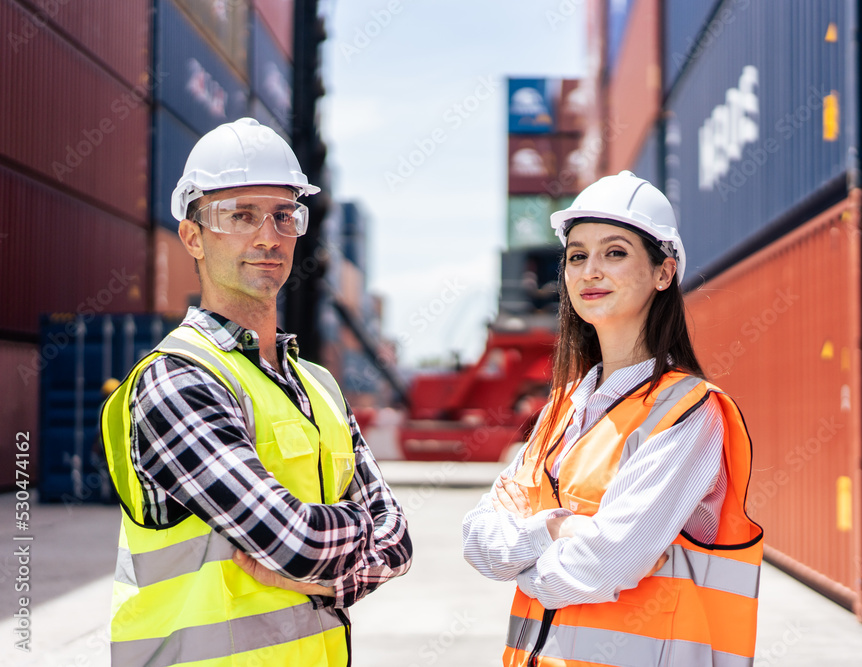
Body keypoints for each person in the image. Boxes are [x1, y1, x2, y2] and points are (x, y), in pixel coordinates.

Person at [100, 118, 412, 666]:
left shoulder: (319, 384)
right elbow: (293, 542)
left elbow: (402, 542)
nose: (267, 235)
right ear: (193, 236)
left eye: (283, 215)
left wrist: (333, 579)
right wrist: (363, 533)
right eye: (240, 215)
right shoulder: (178, 380)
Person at [462, 171, 763, 666]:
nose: (589, 271)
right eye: (577, 256)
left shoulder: (688, 414)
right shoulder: (561, 411)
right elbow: (477, 539)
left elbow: (604, 566)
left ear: (664, 273)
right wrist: (556, 532)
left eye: (615, 252)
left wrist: (521, 555)